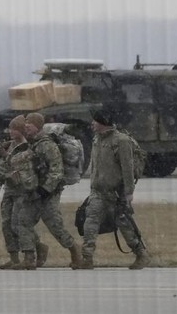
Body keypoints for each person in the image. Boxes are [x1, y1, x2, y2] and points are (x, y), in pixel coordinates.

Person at [73, 109, 148, 270]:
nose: (92, 123)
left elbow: (127, 168)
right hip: (97, 193)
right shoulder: (97, 140)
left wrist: (129, 193)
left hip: (116, 193)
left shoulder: (121, 141)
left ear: (103, 123)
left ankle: (140, 254)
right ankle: (87, 258)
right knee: (90, 223)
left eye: (95, 121)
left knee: (125, 225)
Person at [18, 113, 81, 269]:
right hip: (33, 191)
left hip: (48, 192)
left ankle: (74, 250)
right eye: (25, 125)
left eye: (30, 125)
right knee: (23, 221)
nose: (27, 127)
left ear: (38, 127)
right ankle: (29, 257)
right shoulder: (33, 144)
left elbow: (57, 170)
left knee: (54, 225)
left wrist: (45, 189)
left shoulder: (47, 145)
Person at [0, 115, 48, 269]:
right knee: (6, 224)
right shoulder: (10, 146)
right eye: (10, 129)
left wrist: (6, 157)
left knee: (18, 224)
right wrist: (0, 174)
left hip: (22, 190)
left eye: (14, 129)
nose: (10, 132)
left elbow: (21, 165)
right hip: (10, 188)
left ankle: (34, 249)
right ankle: (14, 257)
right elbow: (4, 165)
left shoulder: (27, 147)